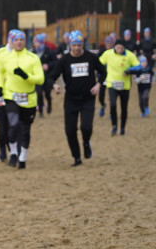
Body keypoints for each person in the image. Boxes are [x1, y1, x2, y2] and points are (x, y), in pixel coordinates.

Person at [47, 30, 104, 165]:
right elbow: (50, 77)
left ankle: (86, 143)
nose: (77, 48)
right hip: (71, 100)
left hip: (88, 99)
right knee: (70, 130)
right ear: (70, 45)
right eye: (74, 45)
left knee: (86, 127)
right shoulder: (64, 60)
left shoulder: (91, 57)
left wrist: (98, 85)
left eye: (79, 45)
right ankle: (77, 157)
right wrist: (54, 86)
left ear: (82, 44)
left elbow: (104, 72)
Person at [0, 29, 44, 169]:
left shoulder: (33, 58)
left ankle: (23, 158)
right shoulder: (5, 58)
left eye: (21, 39)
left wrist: (27, 76)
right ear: (11, 42)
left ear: (25, 41)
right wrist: (0, 87)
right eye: (16, 40)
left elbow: (40, 79)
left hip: (29, 99)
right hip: (11, 96)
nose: (19, 42)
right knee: (13, 125)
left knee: (25, 130)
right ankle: (14, 153)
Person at [98, 39, 140, 135]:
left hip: (125, 86)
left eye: (121, 48)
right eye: (117, 48)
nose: (119, 50)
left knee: (124, 107)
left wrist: (129, 71)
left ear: (124, 47)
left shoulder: (129, 55)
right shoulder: (108, 53)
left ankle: (122, 128)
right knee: (113, 105)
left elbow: (138, 66)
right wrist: (101, 73)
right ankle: (114, 127)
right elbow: (99, 63)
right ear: (114, 47)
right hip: (112, 84)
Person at [32, 34, 57, 117]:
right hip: (38, 78)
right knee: (39, 94)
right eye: (34, 42)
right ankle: (41, 112)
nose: (35, 44)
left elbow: (56, 62)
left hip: (47, 77)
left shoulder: (49, 52)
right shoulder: (33, 52)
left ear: (40, 42)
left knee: (47, 94)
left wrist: (48, 66)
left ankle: (49, 103)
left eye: (36, 42)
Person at [125, 53, 152, 118]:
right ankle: (143, 112)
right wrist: (140, 78)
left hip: (147, 87)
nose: (144, 64)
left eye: (145, 62)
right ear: (140, 63)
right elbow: (136, 81)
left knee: (145, 97)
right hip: (140, 88)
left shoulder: (149, 69)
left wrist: (152, 80)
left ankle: (146, 108)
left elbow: (153, 75)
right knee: (140, 101)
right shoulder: (138, 71)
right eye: (142, 62)